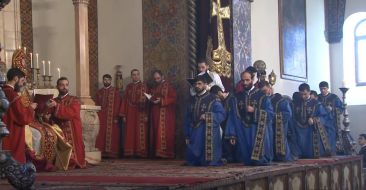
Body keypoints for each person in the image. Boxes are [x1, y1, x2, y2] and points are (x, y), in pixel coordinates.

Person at [225, 70, 273, 165]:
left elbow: (270, 114)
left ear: (252, 79)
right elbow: (232, 116)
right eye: (243, 80)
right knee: (246, 160)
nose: (245, 83)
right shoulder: (236, 97)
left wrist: (254, 111)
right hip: (242, 130)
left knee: (259, 160)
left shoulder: (262, 96)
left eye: (247, 80)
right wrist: (232, 134)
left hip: (257, 130)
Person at [184, 75, 226, 166]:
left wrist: (208, 116)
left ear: (205, 84)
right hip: (194, 130)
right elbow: (187, 117)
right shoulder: (191, 100)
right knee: (193, 159)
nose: (197, 86)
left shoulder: (213, 98)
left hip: (208, 131)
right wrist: (186, 133)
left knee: (208, 160)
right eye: (195, 84)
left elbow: (221, 114)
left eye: (199, 84)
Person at [47, 77, 86, 168]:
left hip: (72, 129)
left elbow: (70, 113)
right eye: (62, 85)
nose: (64, 87)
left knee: (75, 152)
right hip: (58, 130)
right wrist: (47, 114)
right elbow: (49, 114)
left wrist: (57, 106)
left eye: (66, 85)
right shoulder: (54, 100)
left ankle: (74, 162)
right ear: (57, 87)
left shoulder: (74, 100)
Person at [2, 68, 36, 164]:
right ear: (16, 78)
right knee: (14, 154)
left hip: (4, 126)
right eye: (21, 81)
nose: (22, 84)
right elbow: (22, 117)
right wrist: (31, 108)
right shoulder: (13, 95)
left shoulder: (2, 91)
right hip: (13, 128)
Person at [292, 83, 332, 158]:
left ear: (309, 92)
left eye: (305, 94)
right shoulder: (296, 103)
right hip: (299, 129)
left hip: (311, 130)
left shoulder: (317, 104)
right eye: (301, 94)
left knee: (310, 150)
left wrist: (314, 119)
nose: (303, 96)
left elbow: (324, 116)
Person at [259, 81, 293, 161]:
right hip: (267, 127)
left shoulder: (281, 100)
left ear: (270, 89)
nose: (264, 93)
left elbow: (288, 114)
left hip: (278, 126)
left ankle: (284, 159)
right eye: (262, 92)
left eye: (265, 91)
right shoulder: (261, 100)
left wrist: (274, 116)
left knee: (280, 144)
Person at [120, 69, 149, 158]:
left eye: (137, 74)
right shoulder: (128, 87)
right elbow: (124, 100)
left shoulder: (144, 86)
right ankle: (130, 152)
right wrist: (123, 114)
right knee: (130, 132)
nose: (135, 76)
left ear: (139, 75)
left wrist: (146, 114)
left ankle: (140, 152)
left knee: (139, 132)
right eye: (133, 74)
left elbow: (148, 101)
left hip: (141, 113)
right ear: (131, 76)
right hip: (130, 112)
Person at [149, 70, 177, 158]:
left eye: (158, 78)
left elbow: (174, 98)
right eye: (155, 79)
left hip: (166, 114)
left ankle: (165, 153)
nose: (156, 80)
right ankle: (158, 153)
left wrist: (161, 101)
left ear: (162, 77)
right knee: (157, 132)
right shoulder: (156, 86)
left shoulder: (168, 86)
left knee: (164, 132)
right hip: (156, 112)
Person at [95, 74, 122, 158]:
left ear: (110, 81)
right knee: (101, 134)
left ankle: (111, 153)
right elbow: (96, 103)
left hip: (112, 116)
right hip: (101, 116)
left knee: (112, 134)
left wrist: (116, 116)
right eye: (105, 80)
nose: (106, 81)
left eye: (108, 80)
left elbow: (118, 104)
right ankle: (102, 152)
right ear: (103, 80)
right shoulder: (99, 92)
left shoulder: (115, 91)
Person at [210, 85, 236, 163]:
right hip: (224, 125)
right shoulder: (221, 101)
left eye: (216, 97)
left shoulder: (232, 98)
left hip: (232, 125)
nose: (216, 99)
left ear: (219, 92)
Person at [318, 81, 343, 154]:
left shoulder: (334, 97)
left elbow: (341, 108)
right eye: (321, 89)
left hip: (331, 122)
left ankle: (332, 154)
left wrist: (333, 109)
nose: (322, 90)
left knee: (331, 138)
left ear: (328, 88)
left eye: (324, 88)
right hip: (321, 122)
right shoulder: (318, 97)